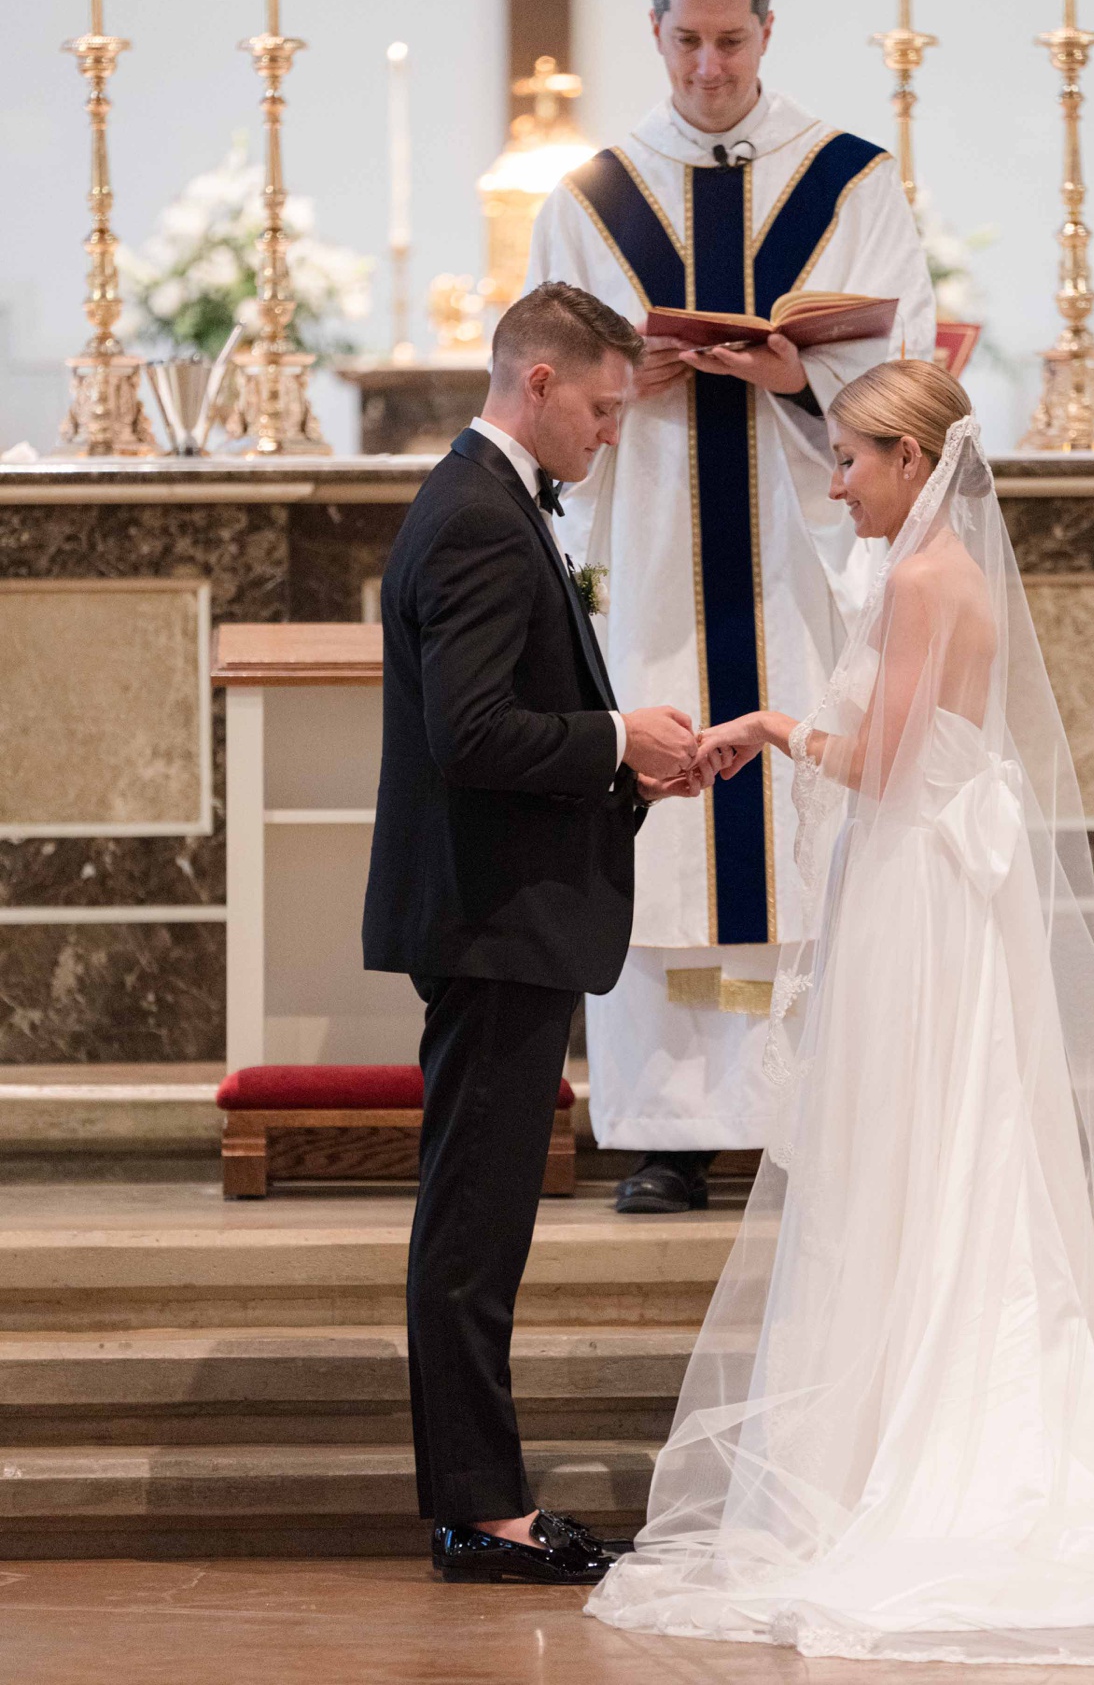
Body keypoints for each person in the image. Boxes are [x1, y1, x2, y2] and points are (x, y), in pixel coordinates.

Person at [586, 360, 1094, 1662]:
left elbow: (884, 764)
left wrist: (775, 725)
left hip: (919, 890)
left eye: (852, 459)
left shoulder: (918, 582)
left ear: (914, 461)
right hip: (947, 884)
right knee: (960, 1143)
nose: (838, 481)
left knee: (916, 1145)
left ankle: (920, 1436)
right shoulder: (945, 574)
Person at [526, 0, 937, 1215]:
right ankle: (668, 1132)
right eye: (687, 40)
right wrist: (618, 378)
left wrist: (803, 375)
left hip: (799, 554)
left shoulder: (852, 183)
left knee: (804, 829)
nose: (710, 66)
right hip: (651, 557)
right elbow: (533, 368)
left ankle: (807, 1117)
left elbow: (914, 379)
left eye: (733, 41)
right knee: (669, 832)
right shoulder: (587, 198)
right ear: (655, 34)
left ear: (769, 33)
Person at [361, 283, 716, 1585]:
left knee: (485, 1221)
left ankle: (480, 1497)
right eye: (606, 410)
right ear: (541, 385)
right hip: (490, 918)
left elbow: (507, 726)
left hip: (500, 914)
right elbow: (473, 736)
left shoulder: (488, 501)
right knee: (472, 1229)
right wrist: (623, 738)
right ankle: (479, 1512)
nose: (611, 435)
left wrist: (626, 771)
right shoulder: (474, 519)